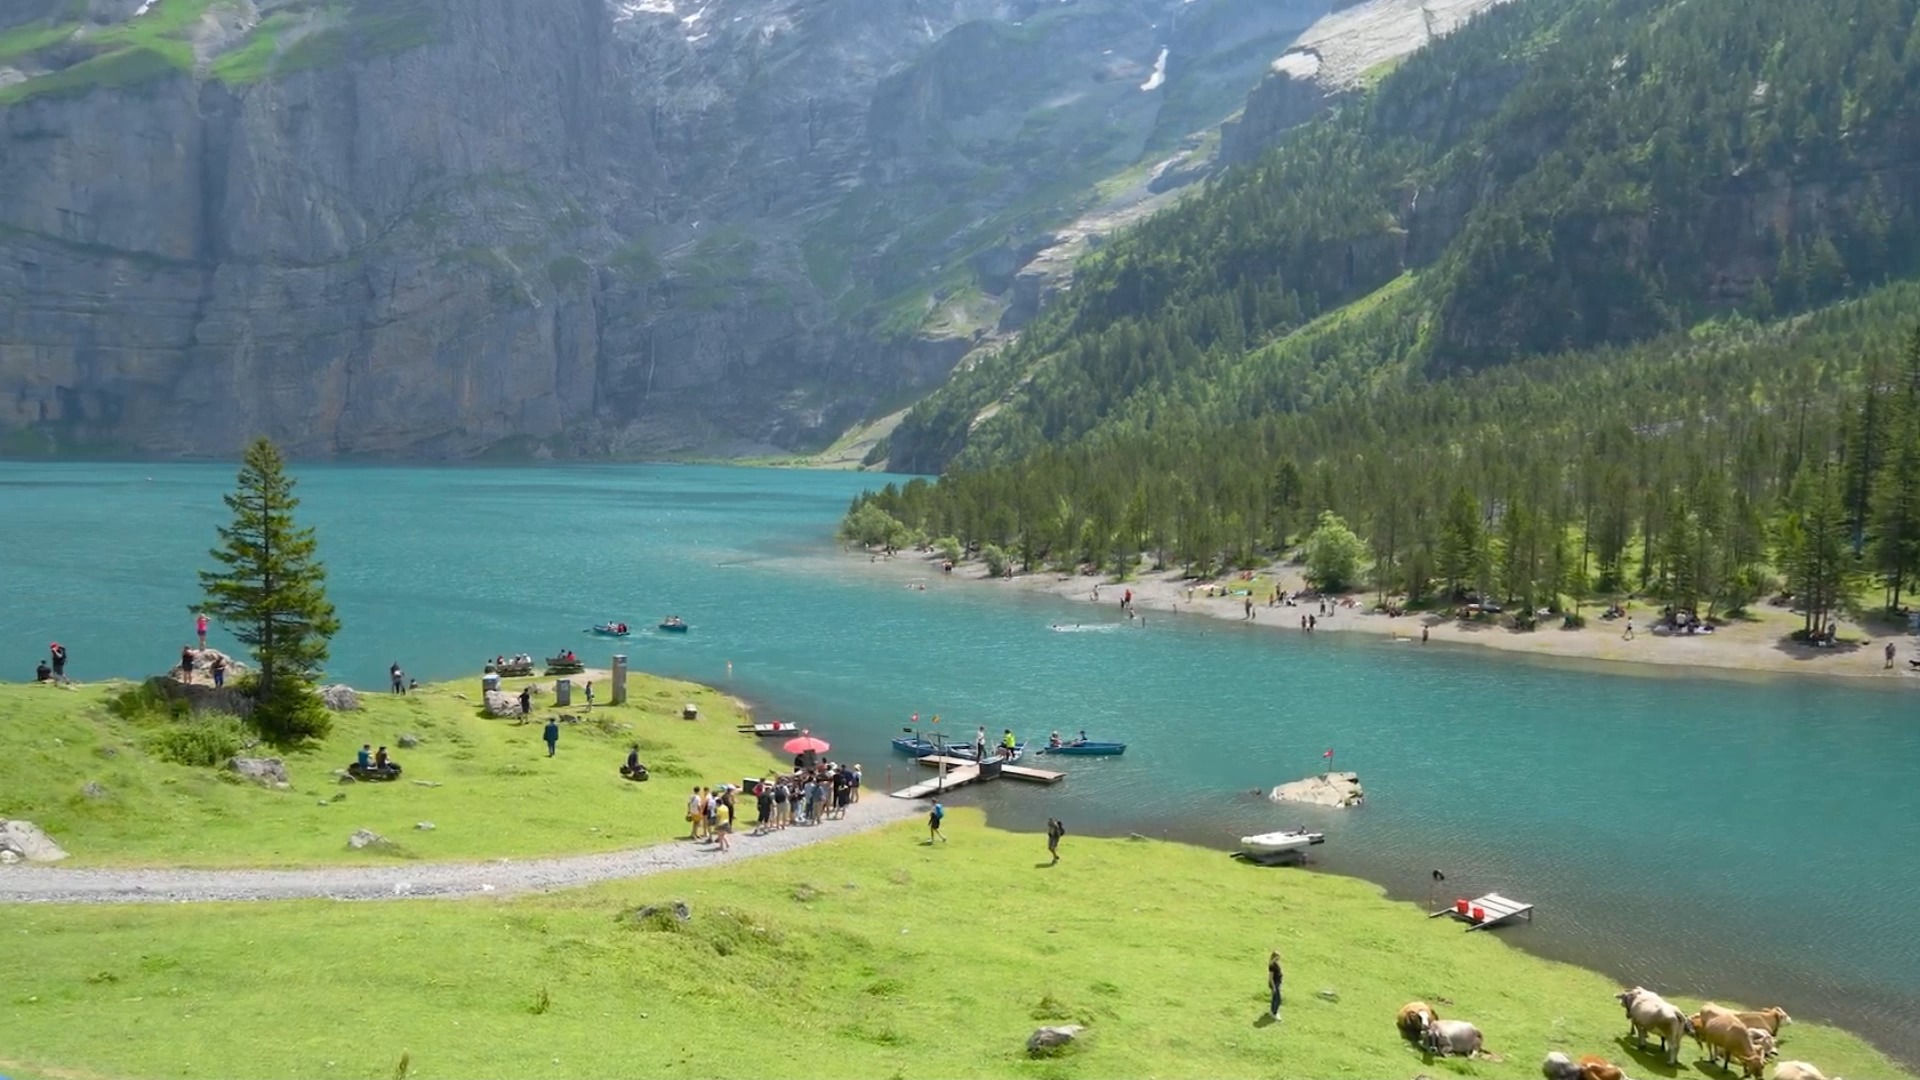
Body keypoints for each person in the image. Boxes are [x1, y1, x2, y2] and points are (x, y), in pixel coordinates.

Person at [1268, 950, 1285, 1020]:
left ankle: (1272, 1011)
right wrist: (1274, 987)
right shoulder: (1272, 965)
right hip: (1275, 983)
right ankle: (1275, 1012)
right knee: (1278, 999)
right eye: (1277, 957)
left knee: (1274, 998)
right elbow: (1271, 977)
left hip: (1278, 983)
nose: (1278, 958)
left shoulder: (1276, 963)